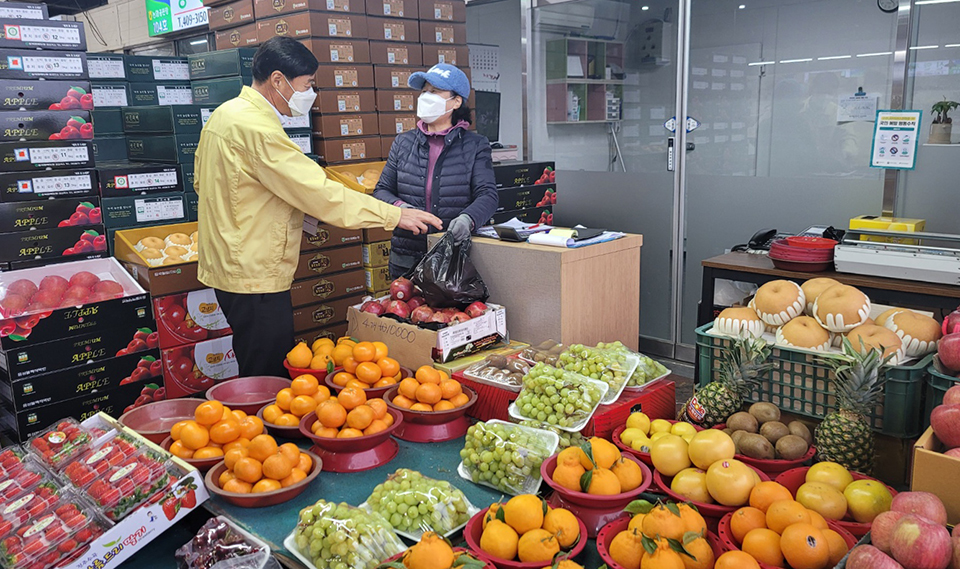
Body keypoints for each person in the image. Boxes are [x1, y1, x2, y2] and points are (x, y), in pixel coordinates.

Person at [194, 37, 442, 377]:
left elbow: (207, 184)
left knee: (253, 356)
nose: (311, 93)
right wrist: (394, 214)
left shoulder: (224, 116)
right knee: (266, 371)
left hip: (228, 261)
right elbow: (319, 192)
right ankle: (266, 429)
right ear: (278, 80)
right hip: (254, 271)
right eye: (308, 84)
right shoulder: (255, 128)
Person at [373, 63, 498, 279]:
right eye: (424, 91)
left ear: (456, 101)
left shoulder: (475, 145)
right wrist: (402, 209)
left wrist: (468, 219)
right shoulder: (403, 143)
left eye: (435, 91)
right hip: (406, 256)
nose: (426, 97)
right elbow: (382, 190)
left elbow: (488, 195)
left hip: (453, 257)